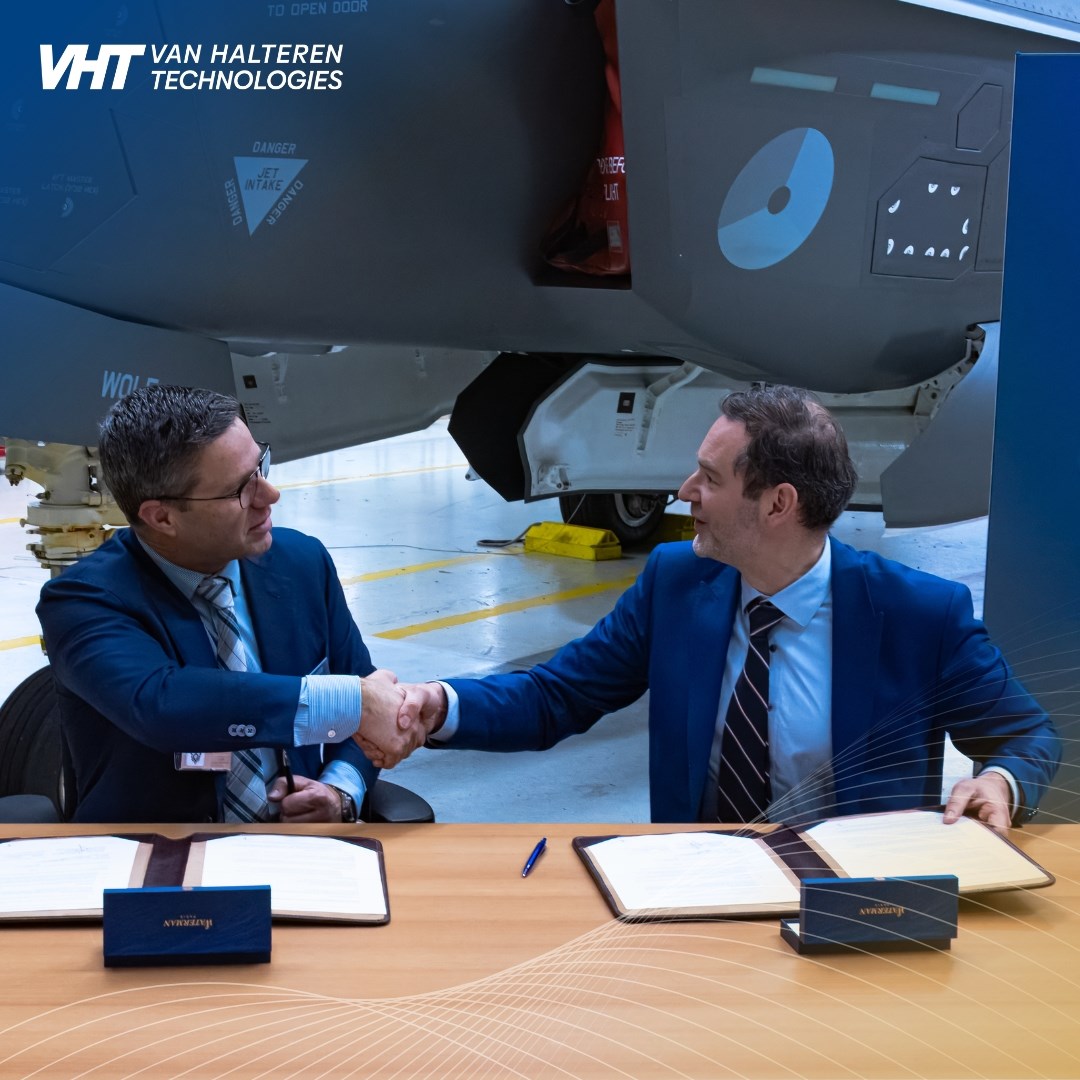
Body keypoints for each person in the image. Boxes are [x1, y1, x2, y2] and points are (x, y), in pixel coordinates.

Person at [363, 385, 1060, 831]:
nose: (683, 489)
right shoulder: (676, 584)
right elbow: (557, 695)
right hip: (698, 892)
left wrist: (1000, 782)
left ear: (779, 504)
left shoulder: (919, 615)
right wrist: (440, 705)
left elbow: (1027, 737)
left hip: (850, 905)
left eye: (710, 477)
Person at [37, 384, 410, 823]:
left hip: (300, 846)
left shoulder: (302, 563)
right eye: (239, 489)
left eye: (261, 466)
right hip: (154, 850)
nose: (269, 495)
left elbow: (369, 696)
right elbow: (163, 706)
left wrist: (340, 790)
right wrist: (344, 701)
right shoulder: (83, 600)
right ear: (161, 517)